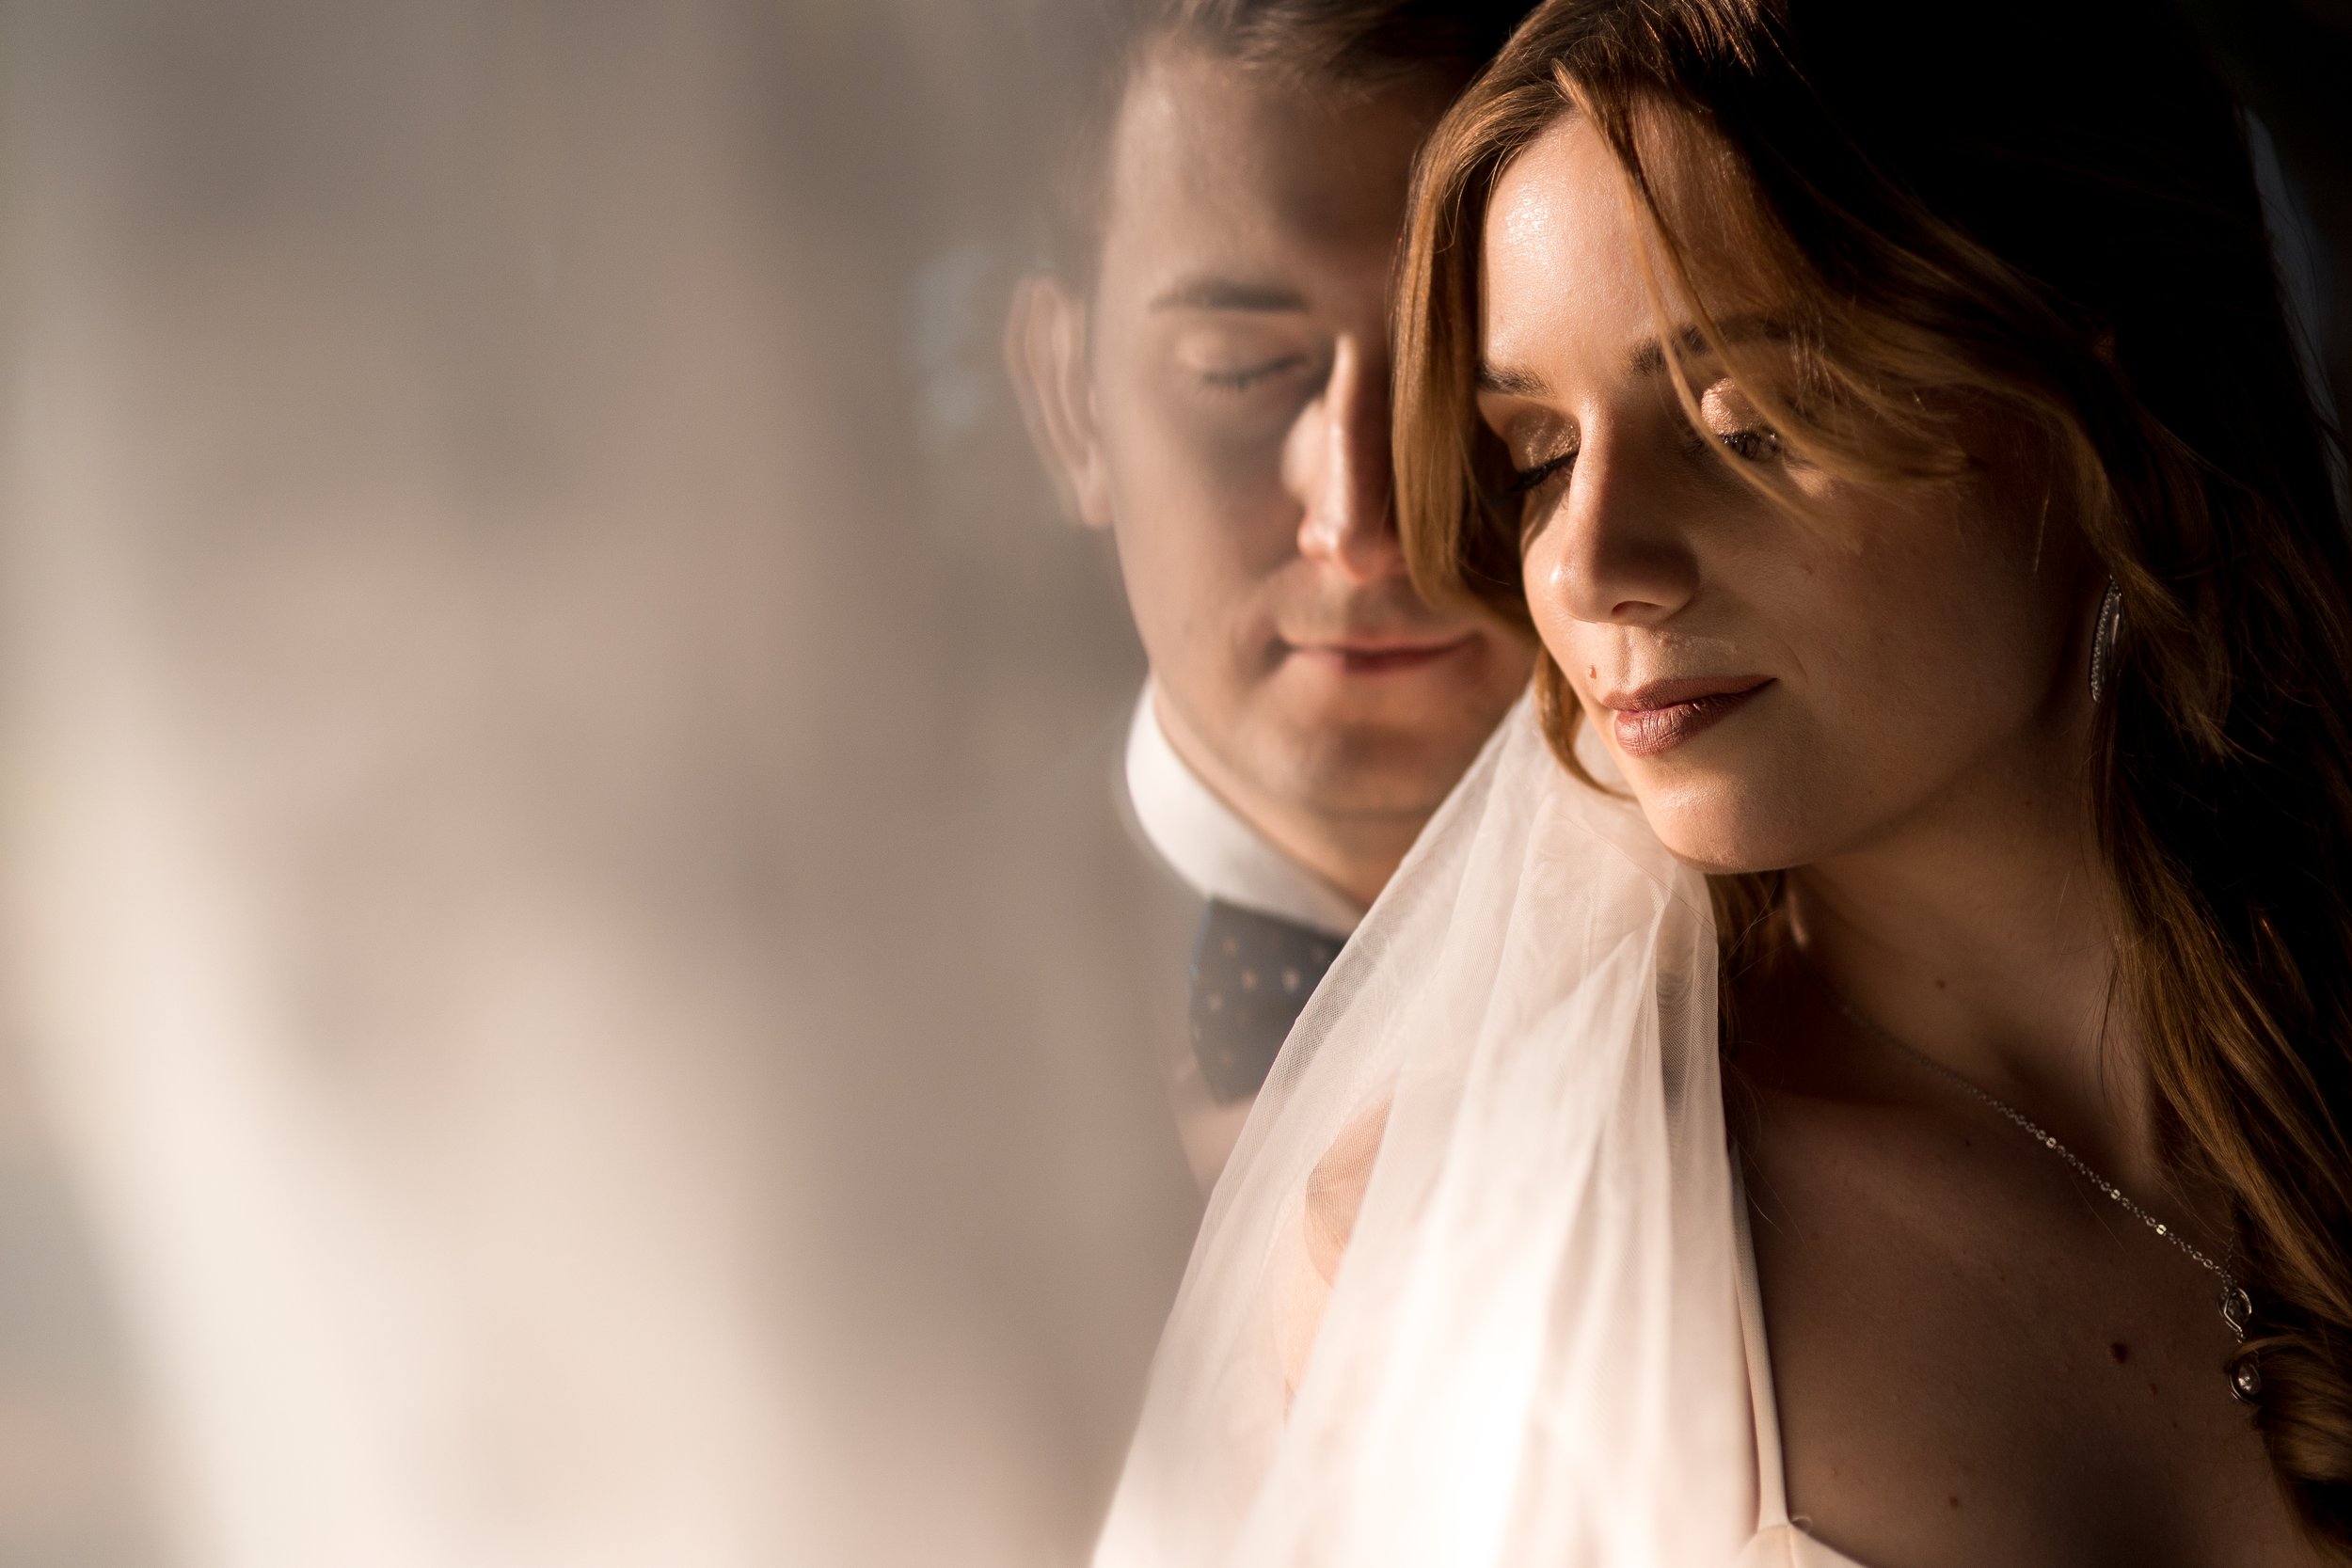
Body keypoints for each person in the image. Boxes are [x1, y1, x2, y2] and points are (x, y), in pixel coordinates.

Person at [1096, 0, 2352, 1563]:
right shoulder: (1471, 1251)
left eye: (1740, 419)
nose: (1592, 563)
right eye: (1540, 453)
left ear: (2095, 412)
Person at [1004, 0, 1535, 1186]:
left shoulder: (1814, 963)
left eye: (1463, 361)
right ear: (1066, 404)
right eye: (1240, 372)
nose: (1363, 522)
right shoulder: (874, 1017)